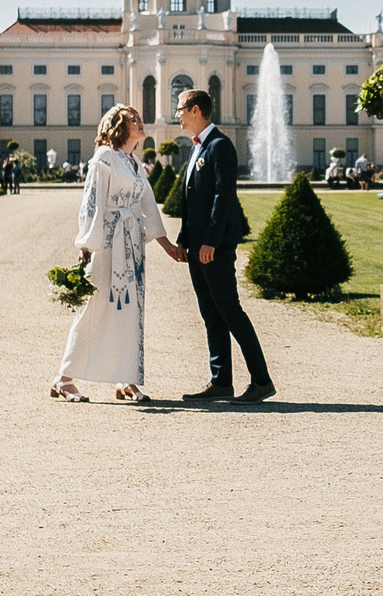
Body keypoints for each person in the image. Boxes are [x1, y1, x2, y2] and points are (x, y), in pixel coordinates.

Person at [51, 104, 185, 404]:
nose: (140, 122)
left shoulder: (135, 163)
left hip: (133, 247)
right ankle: (63, 377)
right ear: (118, 127)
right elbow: (91, 202)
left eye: (139, 118)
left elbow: (148, 206)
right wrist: (86, 246)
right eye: (133, 119)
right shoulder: (105, 158)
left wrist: (168, 247)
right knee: (96, 309)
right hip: (109, 244)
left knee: (131, 313)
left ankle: (127, 378)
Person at [173, 88, 276, 405]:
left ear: (195, 110)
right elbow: (194, 201)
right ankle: (221, 382)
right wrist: (183, 238)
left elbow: (223, 197)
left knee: (230, 311)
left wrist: (210, 242)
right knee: (211, 314)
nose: (176, 114)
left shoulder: (220, 145)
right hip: (197, 247)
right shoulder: (198, 148)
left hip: (213, 248)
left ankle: (261, 380)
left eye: (180, 108)